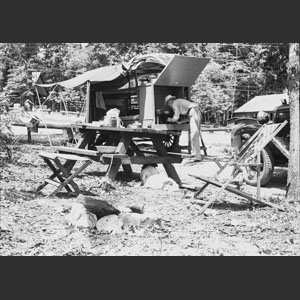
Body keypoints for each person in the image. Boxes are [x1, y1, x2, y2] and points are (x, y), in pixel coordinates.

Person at [164, 95, 203, 161]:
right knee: (194, 134)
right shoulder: (178, 101)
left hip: (194, 112)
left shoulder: (175, 103)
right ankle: (195, 154)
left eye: (168, 103)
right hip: (195, 112)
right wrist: (181, 122)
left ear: (170, 101)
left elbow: (176, 117)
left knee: (194, 134)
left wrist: (170, 119)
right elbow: (189, 116)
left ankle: (197, 157)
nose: (169, 105)